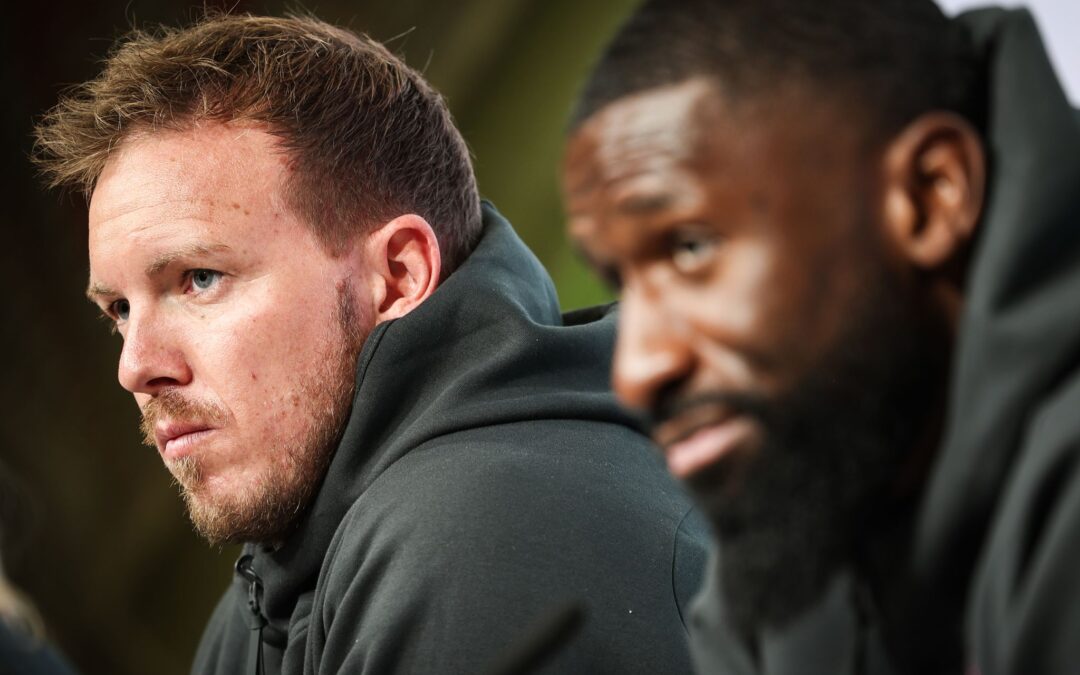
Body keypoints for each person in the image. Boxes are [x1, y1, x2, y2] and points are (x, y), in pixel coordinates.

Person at [33, 13, 709, 674]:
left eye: (200, 279)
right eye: (119, 309)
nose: (136, 365)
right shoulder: (278, 578)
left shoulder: (488, 542)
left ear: (398, 274)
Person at [562, 0, 1080, 673]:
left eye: (691, 247)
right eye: (621, 281)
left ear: (931, 196)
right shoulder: (786, 565)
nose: (636, 369)